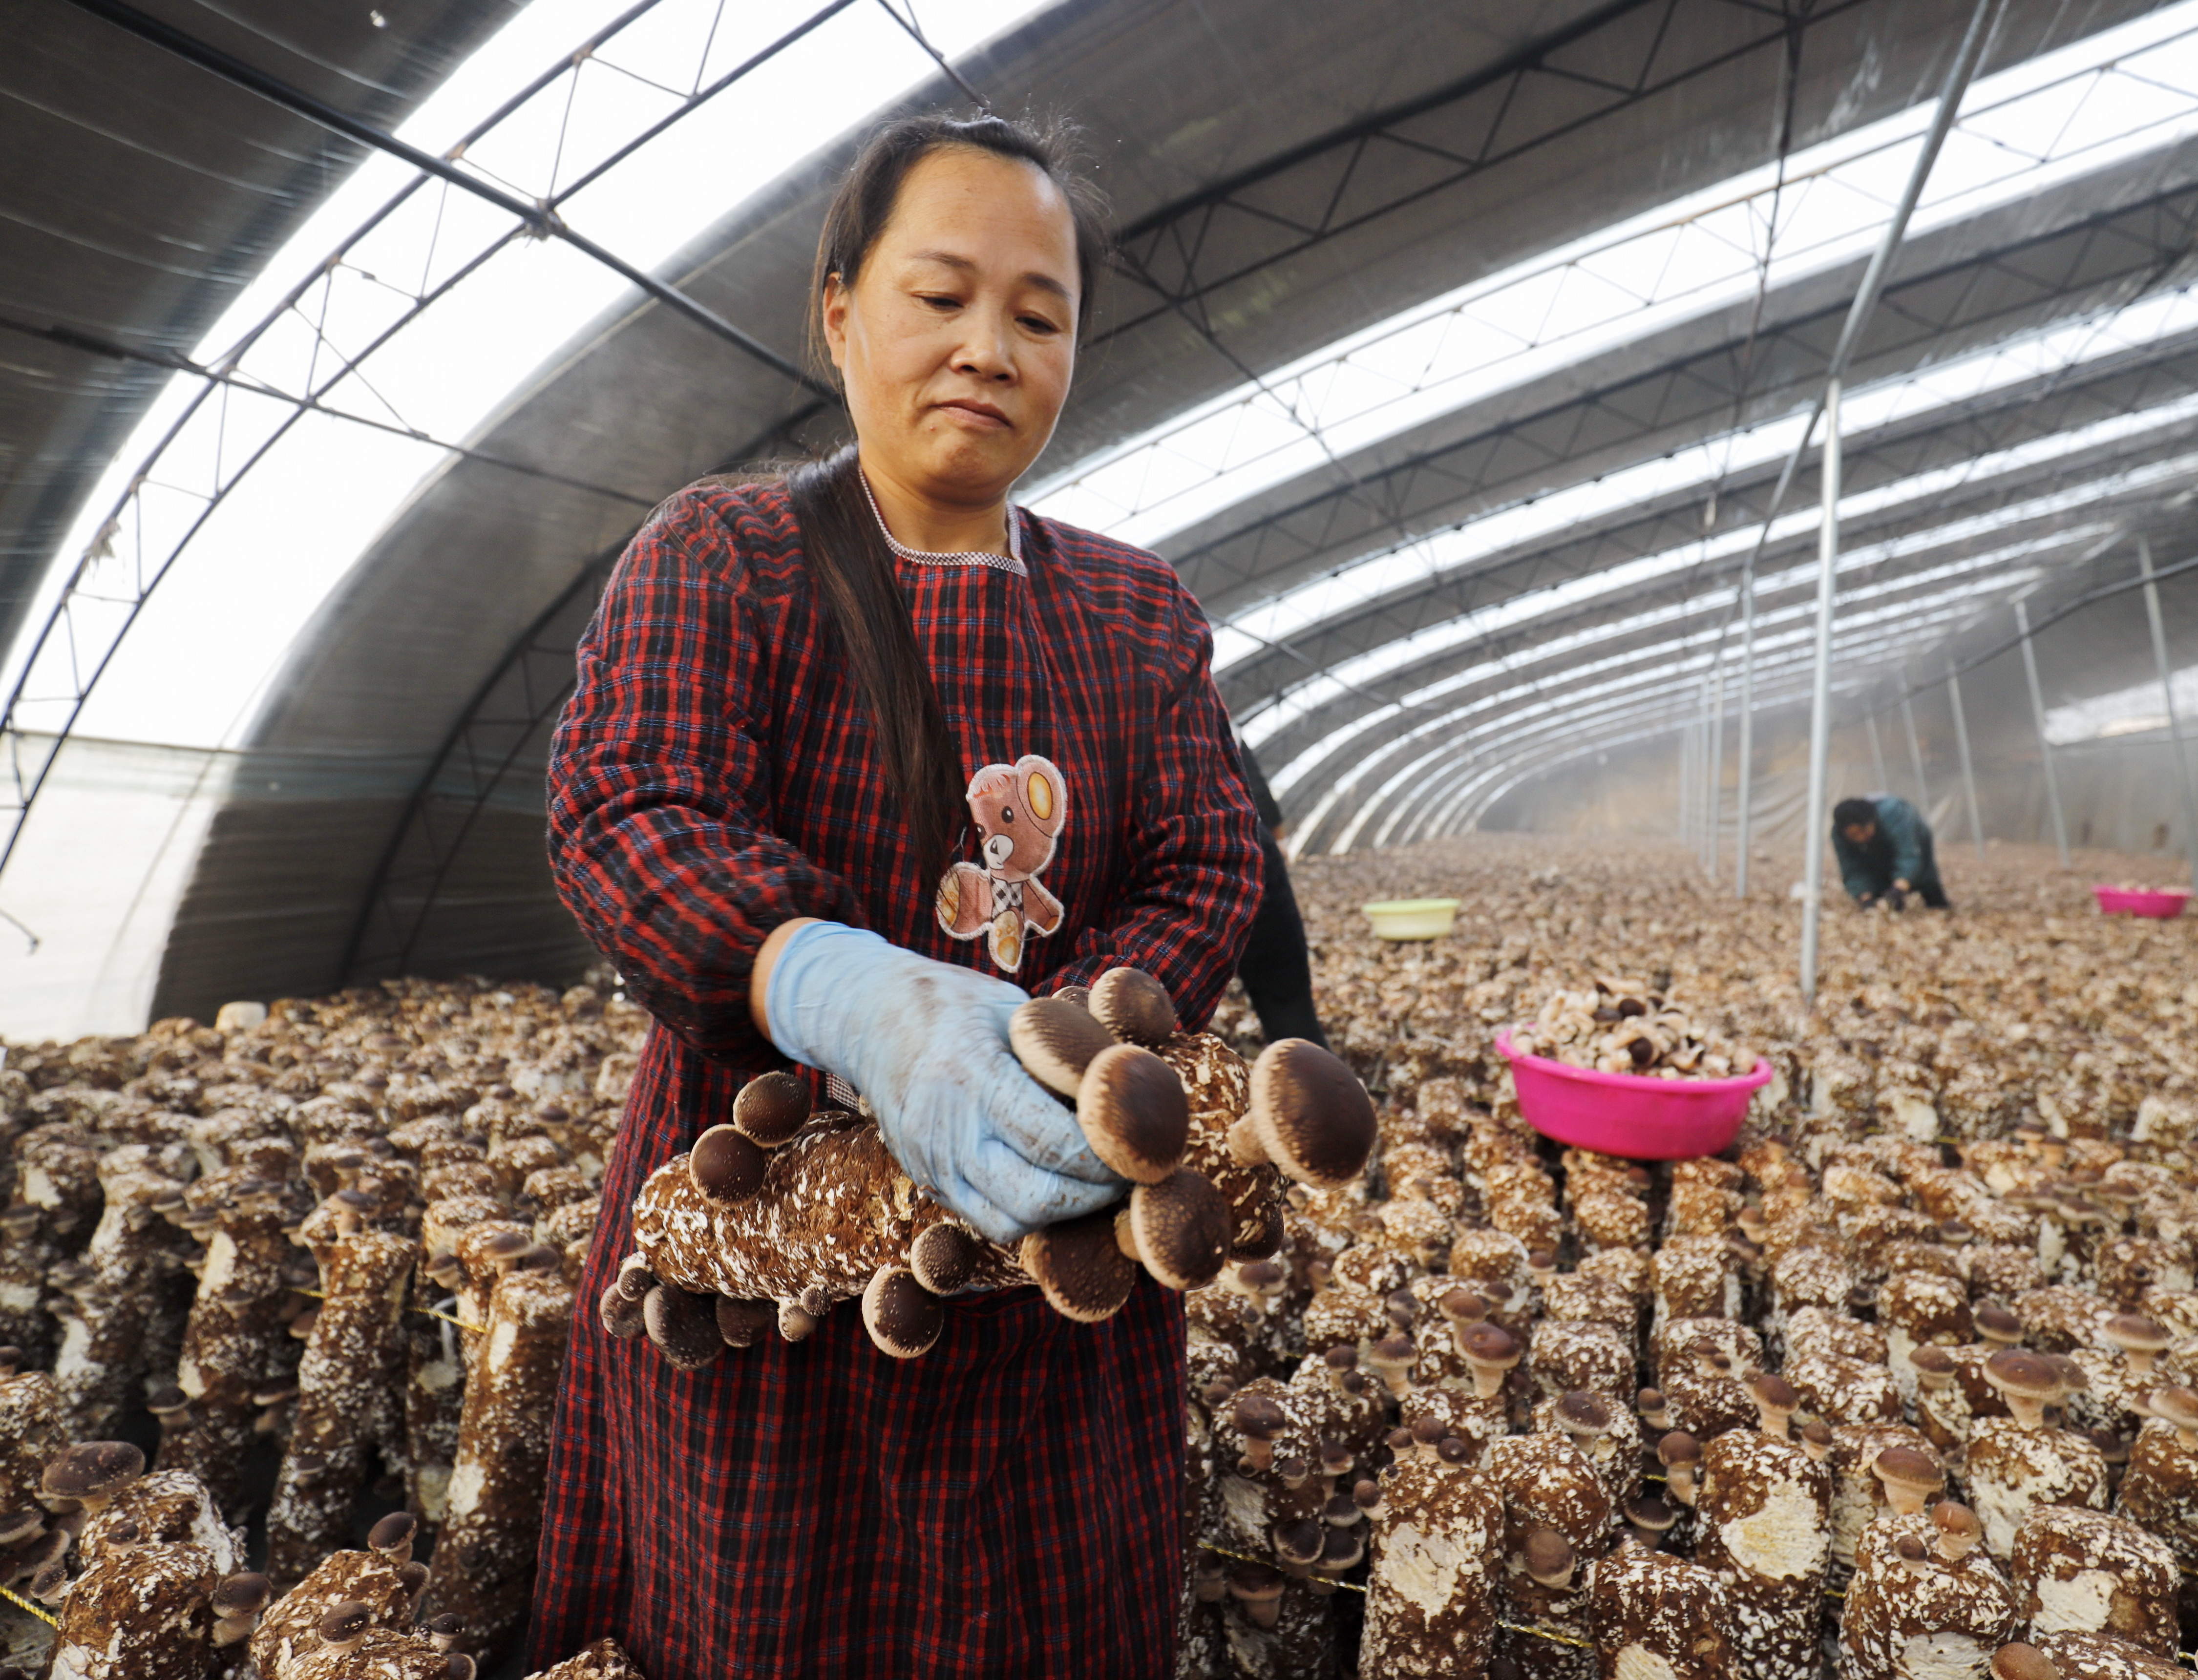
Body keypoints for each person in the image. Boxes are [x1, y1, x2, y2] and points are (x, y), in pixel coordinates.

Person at [526, 113, 1262, 1677]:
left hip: (1056, 1249)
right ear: (842, 308)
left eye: (1039, 314)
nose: (987, 347)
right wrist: (845, 992)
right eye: (940, 296)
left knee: (1050, 1601)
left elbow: (1211, 855)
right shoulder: (728, 557)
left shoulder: (1136, 613)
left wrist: (1065, 1054)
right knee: (759, 1607)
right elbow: (627, 804)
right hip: (769, 1215)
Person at [1231, 735, 1329, 1048]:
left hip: (1147, 864)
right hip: (1240, 843)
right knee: (1286, 1001)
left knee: (1155, 1011)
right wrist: (1277, 840)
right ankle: (1309, 1078)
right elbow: (1252, 779)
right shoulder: (1191, 689)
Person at [1833, 793, 1950, 909]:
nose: (1860, 838)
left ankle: (1936, 901)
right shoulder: (1838, 835)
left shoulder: (1894, 814)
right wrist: (1866, 899)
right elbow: (1851, 868)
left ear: (1872, 821)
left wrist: (1898, 890)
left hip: (1916, 841)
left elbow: (1909, 855)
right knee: (1876, 877)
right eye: (1854, 835)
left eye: (1863, 831)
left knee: (1926, 878)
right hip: (1876, 852)